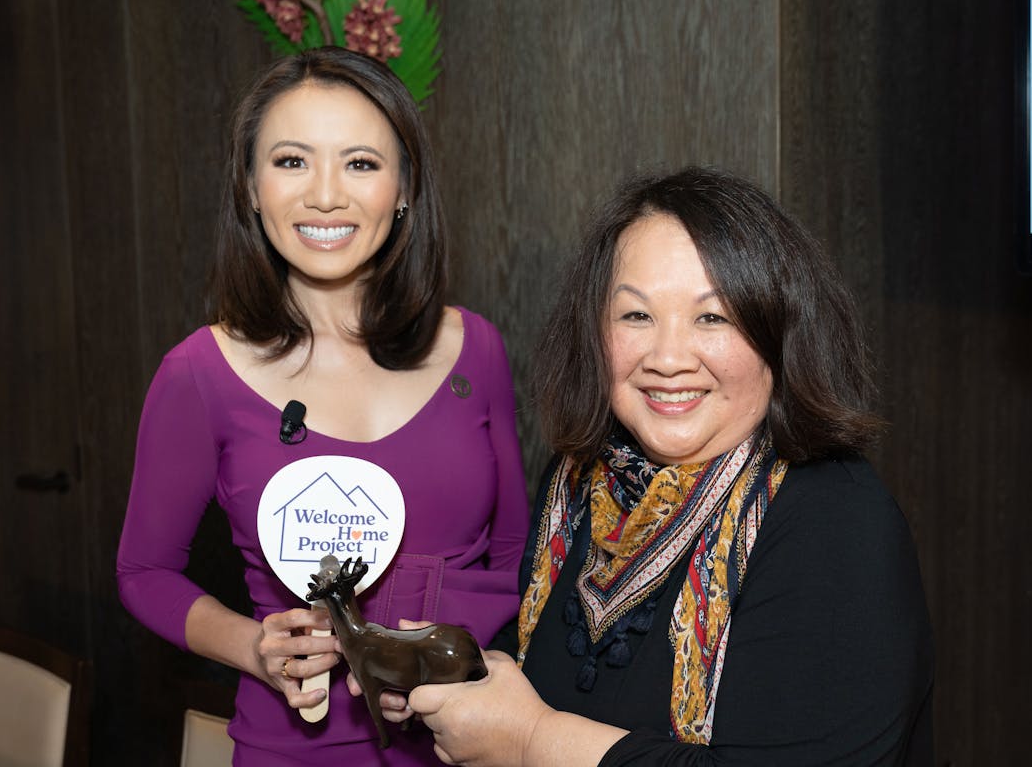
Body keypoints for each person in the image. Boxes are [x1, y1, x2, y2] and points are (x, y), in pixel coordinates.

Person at [409, 166, 934, 766]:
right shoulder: (580, 479)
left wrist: (532, 741)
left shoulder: (836, 522)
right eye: (636, 316)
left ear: (779, 333)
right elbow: (535, 662)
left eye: (712, 317)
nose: (666, 358)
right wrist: (452, 681)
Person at [116, 47, 528, 765]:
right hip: (295, 746)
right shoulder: (197, 374)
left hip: (468, 743)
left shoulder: (477, 350)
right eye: (292, 162)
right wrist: (253, 646)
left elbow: (516, 556)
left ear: (404, 188)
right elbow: (143, 572)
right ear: (249, 186)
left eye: (361, 163)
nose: (326, 196)